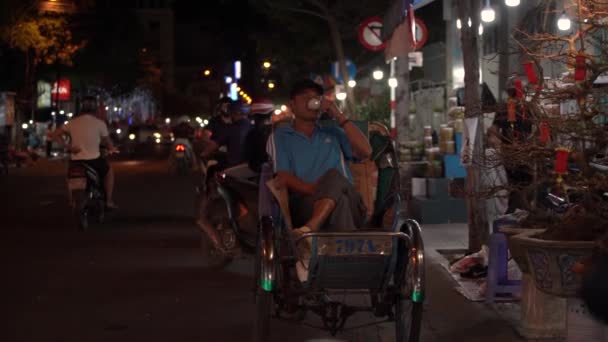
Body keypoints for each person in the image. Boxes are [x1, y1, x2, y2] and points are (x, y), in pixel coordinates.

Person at [267, 79, 372, 279]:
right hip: (305, 206)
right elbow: (283, 176)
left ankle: (310, 235)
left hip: (352, 204)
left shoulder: (333, 132)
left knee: (334, 177)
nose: (311, 101)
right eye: (305, 97)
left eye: (315, 98)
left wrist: (338, 115)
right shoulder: (281, 136)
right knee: (335, 192)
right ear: (292, 105)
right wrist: (320, 191)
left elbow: (366, 151)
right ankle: (340, 263)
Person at [51, 96, 118, 209]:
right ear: (95, 109)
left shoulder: (72, 123)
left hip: (76, 160)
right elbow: (107, 142)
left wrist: (68, 147)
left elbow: (54, 135)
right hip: (94, 161)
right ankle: (109, 201)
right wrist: (112, 148)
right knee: (109, 172)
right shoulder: (100, 123)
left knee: (70, 177)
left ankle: (72, 200)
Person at [201, 100, 252, 169]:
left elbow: (212, 146)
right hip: (250, 168)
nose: (231, 115)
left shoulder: (230, 129)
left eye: (232, 112)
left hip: (233, 168)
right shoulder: (253, 127)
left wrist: (203, 154)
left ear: (236, 112)